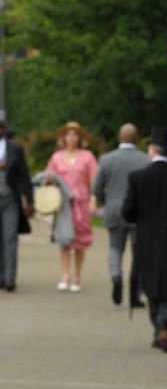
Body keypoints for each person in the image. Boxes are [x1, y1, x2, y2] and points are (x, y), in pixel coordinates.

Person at [121, 126, 167, 352]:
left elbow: (128, 213)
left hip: (146, 239)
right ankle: (165, 319)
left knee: (150, 283)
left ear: (152, 150)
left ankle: (158, 323)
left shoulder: (138, 178)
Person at [93, 123, 148, 307]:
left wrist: (106, 201)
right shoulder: (145, 160)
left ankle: (116, 275)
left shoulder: (106, 159)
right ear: (136, 138)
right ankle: (136, 292)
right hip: (138, 212)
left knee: (115, 248)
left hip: (114, 209)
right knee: (138, 252)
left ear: (119, 138)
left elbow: (96, 188)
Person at [44, 121, 98, 292]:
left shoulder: (88, 156)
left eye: (75, 134)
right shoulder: (57, 157)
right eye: (69, 134)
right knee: (64, 238)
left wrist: (93, 199)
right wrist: (49, 180)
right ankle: (65, 274)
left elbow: (95, 180)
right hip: (64, 203)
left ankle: (77, 274)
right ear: (64, 137)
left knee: (80, 240)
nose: (72, 138)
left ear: (80, 138)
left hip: (81, 202)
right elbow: (48, 176)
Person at [0, 119, 34, 291]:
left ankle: (10, 278)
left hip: (10, 200)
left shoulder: (15, 149)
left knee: (10, 237)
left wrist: (30, 199)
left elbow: (24, 175)